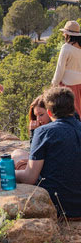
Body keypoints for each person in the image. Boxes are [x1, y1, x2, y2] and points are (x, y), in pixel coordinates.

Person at [16, 87, 81, 219]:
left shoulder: (44, 132)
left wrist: (3, 172)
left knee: (17, 159)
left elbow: (30, 178)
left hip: (60, 206)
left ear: (50, 112)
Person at [11, 95, 51, 170]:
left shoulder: (49, 130)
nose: (38, 119)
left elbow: (35, 153)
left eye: (41, 114)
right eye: (36, 116)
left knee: (18, 156)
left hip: (45, 170)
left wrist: (34, 133)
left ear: (50, 112)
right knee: (17, 152)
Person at [51, 20, 81, 116]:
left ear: (67, 34)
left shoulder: (66, 47)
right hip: (79, 83)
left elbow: (60, 69)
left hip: (67, 84)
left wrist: (54, 84)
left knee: (66, 111)